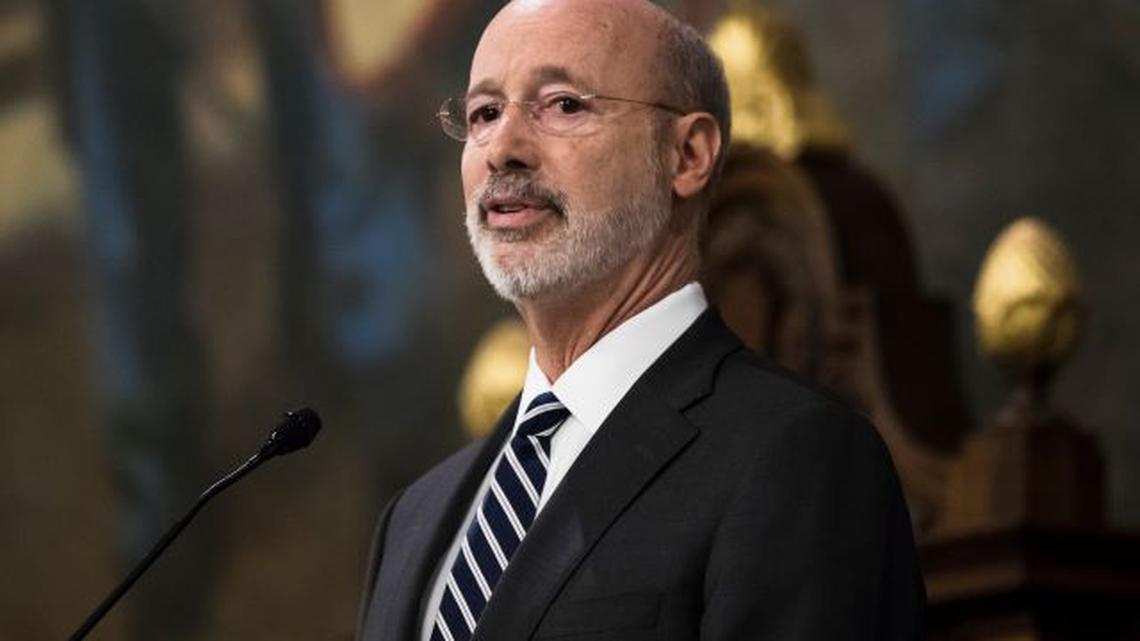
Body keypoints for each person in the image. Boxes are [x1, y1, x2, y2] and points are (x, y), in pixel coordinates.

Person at [356, 1, 925, 639]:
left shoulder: (797, 458)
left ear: (687, 155)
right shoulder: (413, 519)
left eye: (564, 104)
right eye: (484, 113)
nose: (504, 150)